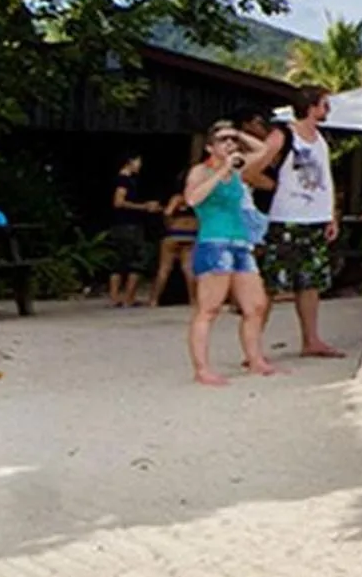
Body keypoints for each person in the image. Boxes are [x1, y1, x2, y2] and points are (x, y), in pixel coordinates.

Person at [183, 121, 279, 386]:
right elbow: (193, 199)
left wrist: (238, 134)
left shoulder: (238, 168)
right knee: (209, 308)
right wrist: (222, 169)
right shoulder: (200, 171)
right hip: (214, 241)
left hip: (240, 242)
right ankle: (202, 368)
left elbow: (263, 150)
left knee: (255, 305)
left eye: (231, 141)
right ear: (209, 147)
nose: (229, 145)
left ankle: (255, 359)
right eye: (222, 141)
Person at [256, 87, 344, 359]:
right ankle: (253, 343)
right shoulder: (283, 135)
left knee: (310, 282)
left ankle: (311, 339)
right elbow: (252, 168)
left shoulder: (321, 139)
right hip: (287, 219)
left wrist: (330, 214)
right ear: (311, 107)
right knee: (272, 282)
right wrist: (275, 187)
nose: (328, 110)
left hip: (315, 218)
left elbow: (326, 179)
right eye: (324, 104)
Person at [104, 156, 163, 308]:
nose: (140, 165)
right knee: (137, 260)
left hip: (118, 225)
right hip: (129, 225)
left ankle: (115, 297)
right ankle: (128, 297)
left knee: (119, 260)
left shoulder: (120, 180)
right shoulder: (124, 181)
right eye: (138, 162)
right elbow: (119, 202)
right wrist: (144, 207)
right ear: (129, 162)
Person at [147, 178, 199, 309]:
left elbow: (168, 213)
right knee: (188, 269)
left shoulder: (178, 198)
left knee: (164, 268)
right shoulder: (199, 197)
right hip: (191, 235)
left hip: (175, 233)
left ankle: (154, 300)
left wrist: (168, 224)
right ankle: (193, 300)